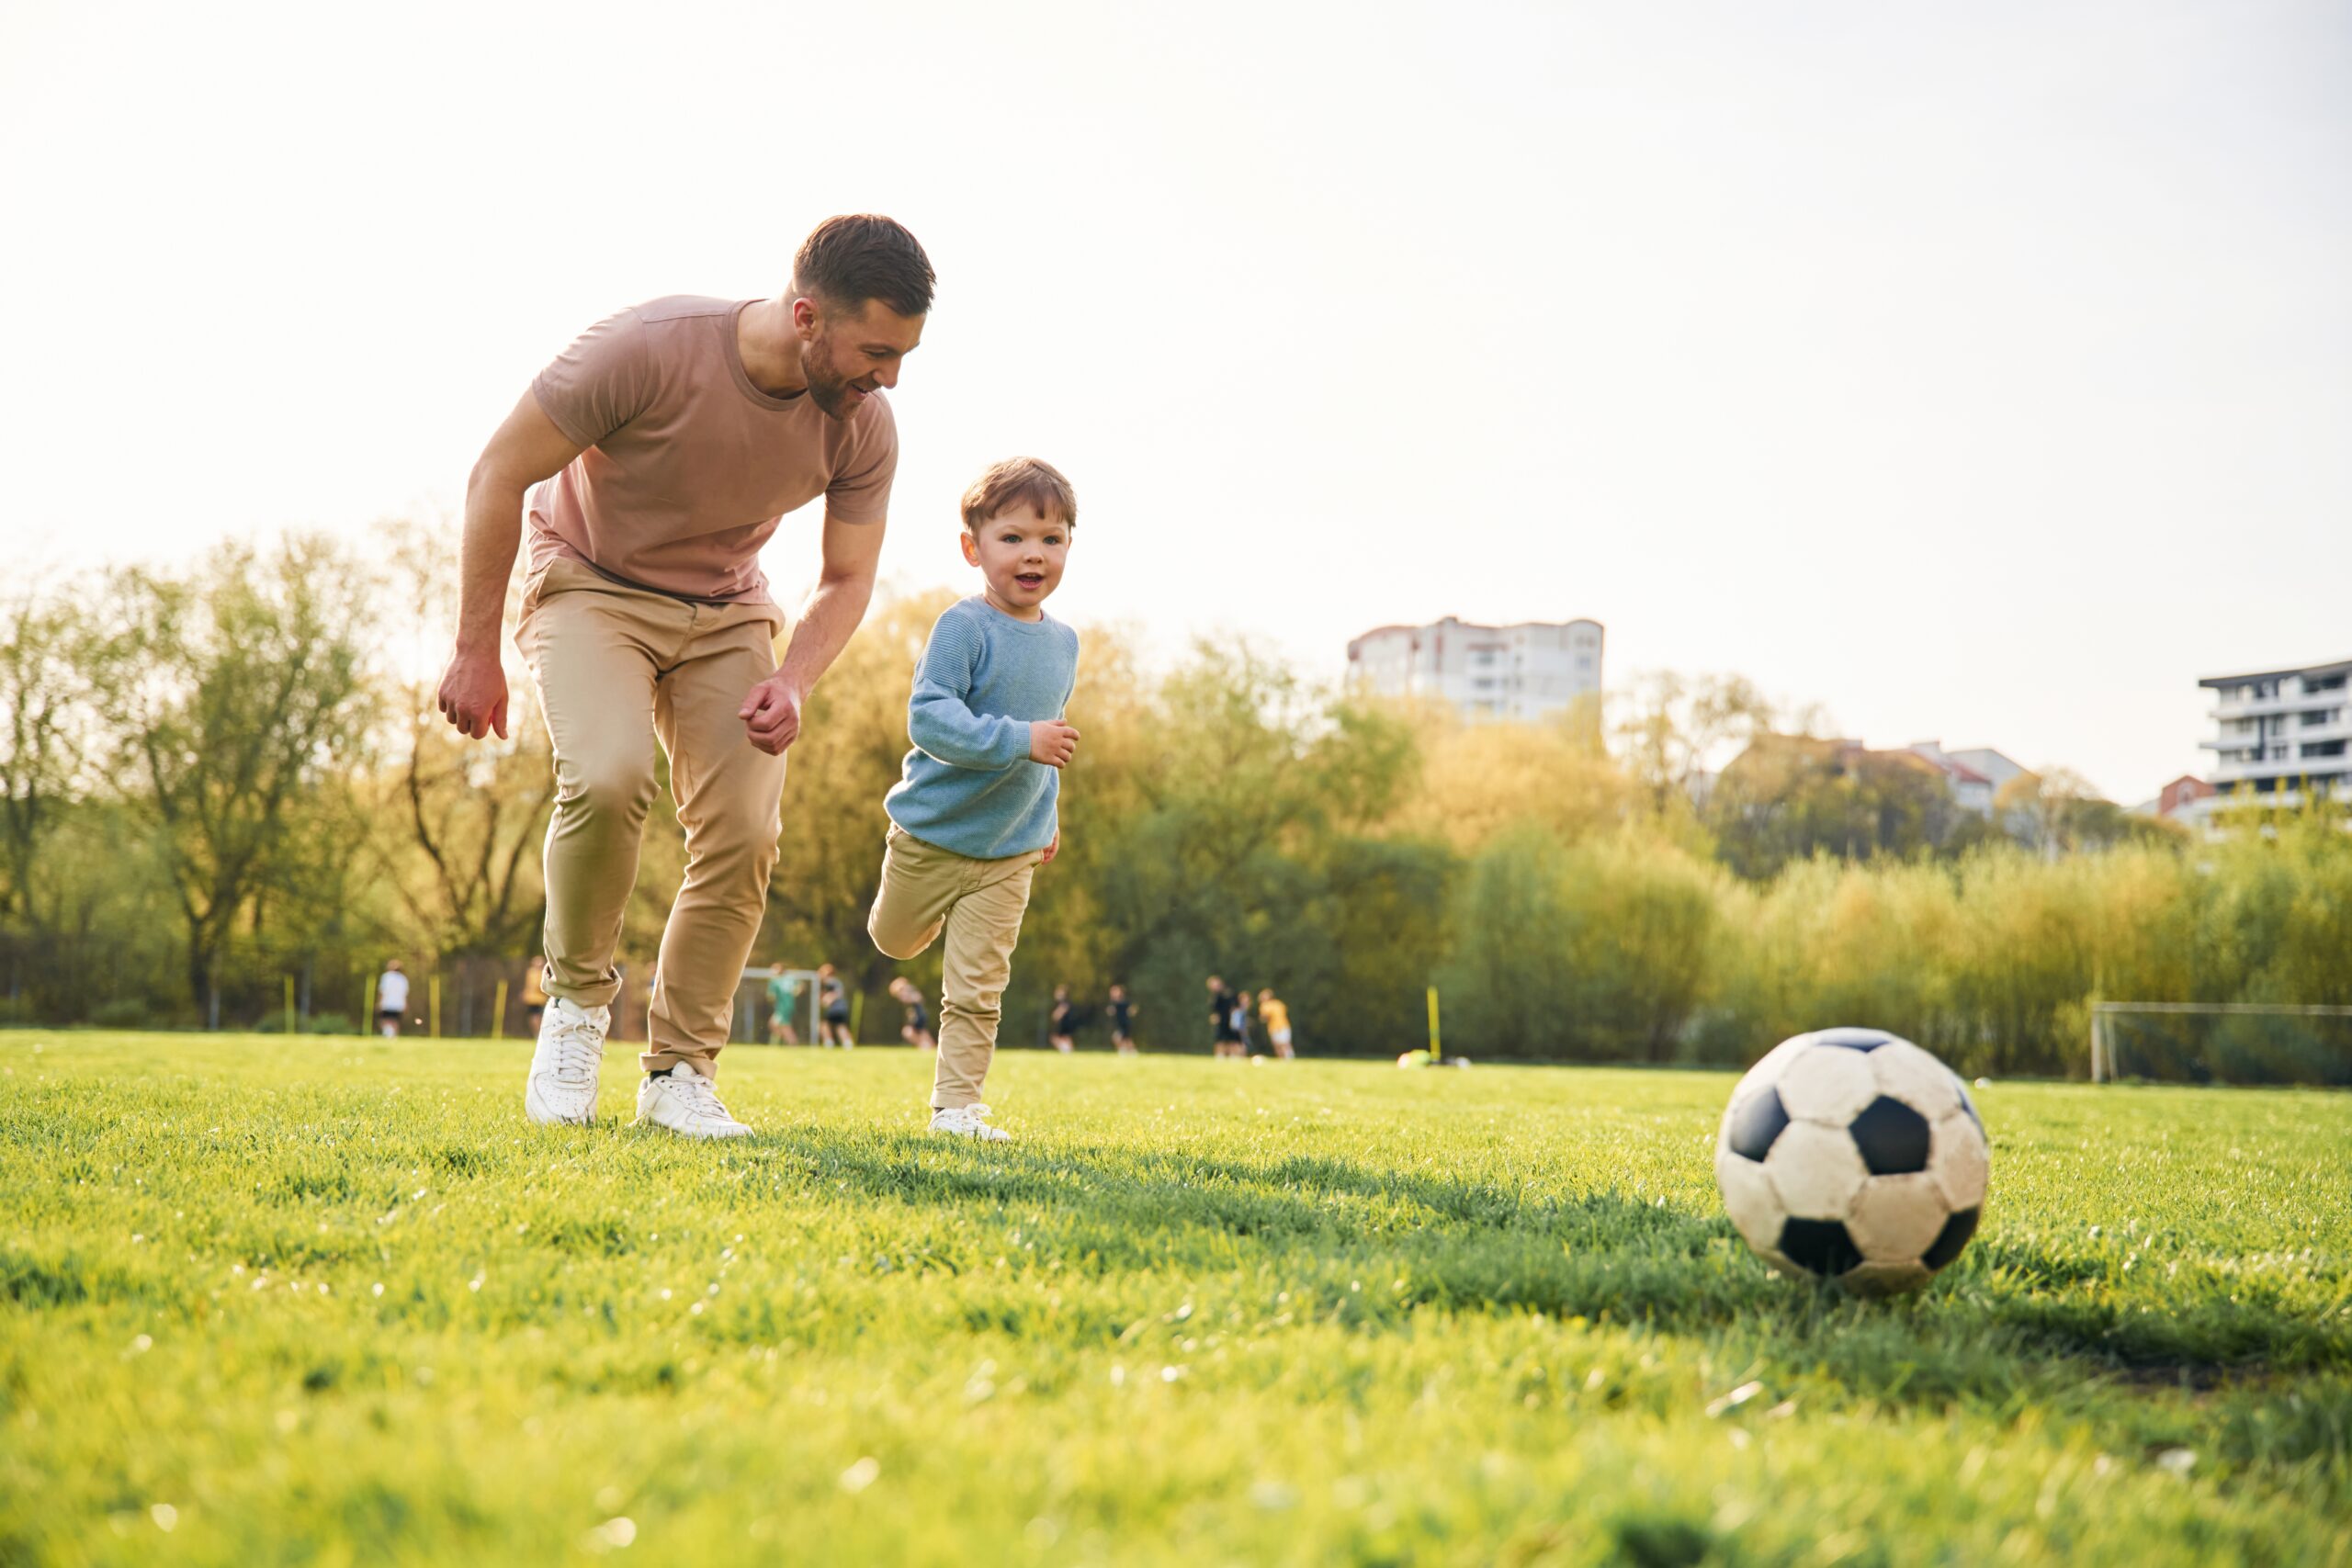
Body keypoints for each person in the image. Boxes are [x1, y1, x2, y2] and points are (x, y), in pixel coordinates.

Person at [435, 216, 934, 1140]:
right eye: (877, 352)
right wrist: (475, 648)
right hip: (589, 581)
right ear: (806, 318)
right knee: (608, 775)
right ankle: (576, 1012)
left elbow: (846, 578)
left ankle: (680, 1072)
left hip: (726, 608)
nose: (890, 378)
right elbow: (498, 473)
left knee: (745, 829)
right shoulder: (644, 349)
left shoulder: (863, 426)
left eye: (903, 355)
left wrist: (794, 678)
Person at [865, 457, 1081, 1141]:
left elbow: (1052, 739)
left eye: (1051, 539)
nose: (1033, 554)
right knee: (894, 941)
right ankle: (928, 913)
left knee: (978, 990)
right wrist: (1020, 739)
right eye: (1012, 538)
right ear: (973, 547)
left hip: (1009, 850)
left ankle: (955, 1111)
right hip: (932, 833)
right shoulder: (963, 627)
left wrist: (1047, 815)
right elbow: (929, 720)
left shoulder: (1065, 642)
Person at [816, 963, 854, 1049]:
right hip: (835, 1009)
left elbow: (836, 994)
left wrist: (826, 1000)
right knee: (831, 1025)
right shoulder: (830, 983)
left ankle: (834, 1042)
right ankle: (844, 1042)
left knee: (835, 1025)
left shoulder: (832, 982)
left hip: (837, 1009)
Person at [892, 977, 936, 1051]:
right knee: (922, 1034)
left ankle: (925, 1046)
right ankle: (927, 1047)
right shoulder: (910, 990)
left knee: (911, 1032)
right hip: (918, 1017)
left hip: (919, 1017)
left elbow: (918, 998)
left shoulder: (909, 991)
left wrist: (908, 998)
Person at [764, 962, 801, 1045]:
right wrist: (795, 992)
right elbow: (800, 987)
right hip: (789, 1005)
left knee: (784, 1026)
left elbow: (770, 996)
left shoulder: (775, 981)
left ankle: (792, 1043)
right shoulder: (790, 978)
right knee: (774, 1024)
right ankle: (781, 1041)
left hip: (782, 1007)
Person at [1208, 975, 1242, 1060]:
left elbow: (1236, 1006)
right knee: (1220, 1039)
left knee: (1233, 1039)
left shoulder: (1229, 993)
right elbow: (1214, 1010)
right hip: (1221, 1021)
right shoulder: (1215, 996)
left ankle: (1234, 1056)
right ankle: (1220, 1056)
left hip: (1231, 1021)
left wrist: (1235, 1018)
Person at [376, 960, 410, 1039]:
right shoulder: (403, 979)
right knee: (395, 1021)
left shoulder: (386, 977)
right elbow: (404, 993)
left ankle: (388, 1034)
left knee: (384, 1020)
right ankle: (393, 1036)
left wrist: (379, 1002)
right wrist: (405, 1004)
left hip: (387, 1003)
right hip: (399, 1004)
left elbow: (382, 991)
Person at [1258, 987, 1294, 1059]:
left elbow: (1264, 1018)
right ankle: (1284, 1058)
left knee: (1283, 1044)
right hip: (1275, 1027)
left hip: (1281, 1026)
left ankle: (1288, 1058)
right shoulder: (1277, 1003)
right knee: (1278, 1045)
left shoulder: (1267, 1005)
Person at [1107, 983, 1137, 1055]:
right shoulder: (1113, 1002)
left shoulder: (1124, 1002)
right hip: (1119, 1023)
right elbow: (1111, 1011)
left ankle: (1125, 1051)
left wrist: (1131, 1012)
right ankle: (1130, 1052)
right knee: (1126, 1039)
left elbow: (1133, 1009)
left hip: (1125, 1023)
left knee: (1118, 1038)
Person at [521, 956, 548, 1035]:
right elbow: (536, 985)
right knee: (536, 1017)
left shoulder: (532, 972)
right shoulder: (537, 973)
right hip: (537, 999)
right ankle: (538, 1033)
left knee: (536, 1017)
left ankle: (538, 1033)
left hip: (538, 999)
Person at [1047, 984, 1075, 1054]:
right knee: (1064, 1038)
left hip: (1065, 1024)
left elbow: (1057, 1014)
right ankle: (1067, 1051)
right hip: (1064, 1024)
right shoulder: (1061, 1003)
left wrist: (1055, 1015)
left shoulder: (1064, 1003)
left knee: (1059, 1038)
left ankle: (1067, 1051)